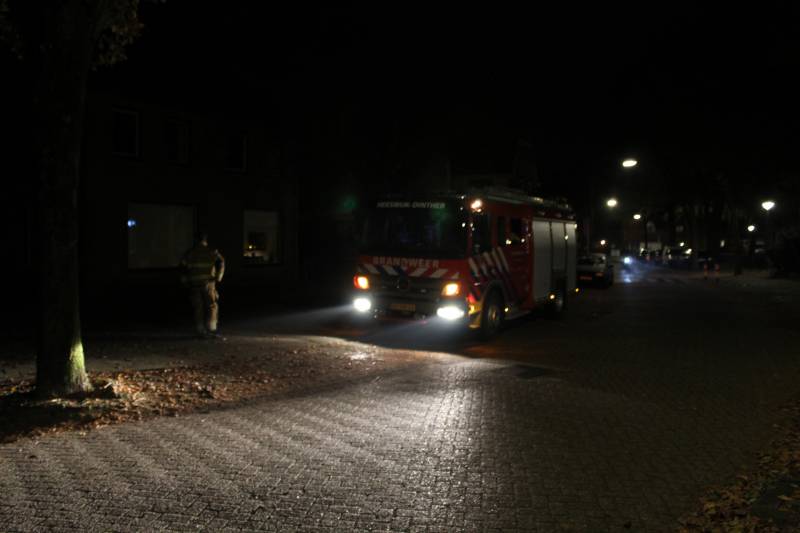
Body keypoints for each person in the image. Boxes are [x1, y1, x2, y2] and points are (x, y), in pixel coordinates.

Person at [180, 233, 225, 338]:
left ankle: (200, 330)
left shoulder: (190, 253)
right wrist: (219, 277)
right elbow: (222, 261)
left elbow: (182, 268)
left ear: (195, 240)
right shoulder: (212, 251)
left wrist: (185, 281)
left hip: (194, 284)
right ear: (205, 240)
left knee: (198, 307)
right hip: (208, 283)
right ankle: (212, 329)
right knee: (212, 306)